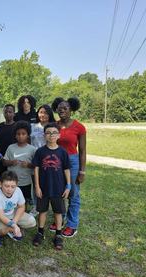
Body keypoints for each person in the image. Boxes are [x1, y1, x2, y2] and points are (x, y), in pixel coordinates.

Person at [51, 97, 87, 238]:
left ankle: (72, 224)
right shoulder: (55, 125)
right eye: (60, 108)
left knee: (73, 193)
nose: (62, 110)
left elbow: (83, 150)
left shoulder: (79, 127)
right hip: (57, 160)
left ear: (71, 110)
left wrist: (82, 171)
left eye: (65, 108)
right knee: (59, 192)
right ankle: (61, 219)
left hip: (72, 161)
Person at [32, 123, 71, 250]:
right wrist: (37, 186)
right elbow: (36, 169)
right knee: (42, 211)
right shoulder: (40, 151)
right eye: (48, 133)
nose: (51, 135)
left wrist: (68, 186)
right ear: (44, 135)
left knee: (58, 212)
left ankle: (58, 235)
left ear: (59, 135)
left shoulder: (63, 152)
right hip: (43, 188)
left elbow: (66, 170)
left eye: (54, 132)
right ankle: (40, 232)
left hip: (58, 188)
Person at [0, 171, 36, 242]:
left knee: (32, 222)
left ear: (16, 185)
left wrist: (14, 222)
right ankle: (10, 229)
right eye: (6, 186)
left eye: (13, 186)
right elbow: (0, 215)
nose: (9, 189)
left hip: (12, 213)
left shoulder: (18, 190)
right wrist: (13, 226)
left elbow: (21, 207)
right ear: (0, 184)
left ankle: (12, 227)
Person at [3, 121, 36, 207]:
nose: (21, 136)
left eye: (23, 134)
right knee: (11, 201)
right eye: (18, 134)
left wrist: (28, 165)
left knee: (24, 202)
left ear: (28, 135)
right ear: (15, 135)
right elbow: (4, 162)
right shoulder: (11, 147)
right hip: (12, 182)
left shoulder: (32, 149)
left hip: (26, 182)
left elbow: (36, 165)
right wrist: (11, 162)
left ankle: (23, 215)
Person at [0, 104, 16, 182]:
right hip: (2, 159)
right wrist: (0, 156)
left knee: (13, 181)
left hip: (14, 160)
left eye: (10, 112)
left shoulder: (17, 126)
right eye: (6, 112)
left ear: (14, 113)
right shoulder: (0, 126)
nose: (8, 114)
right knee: (2, 181)